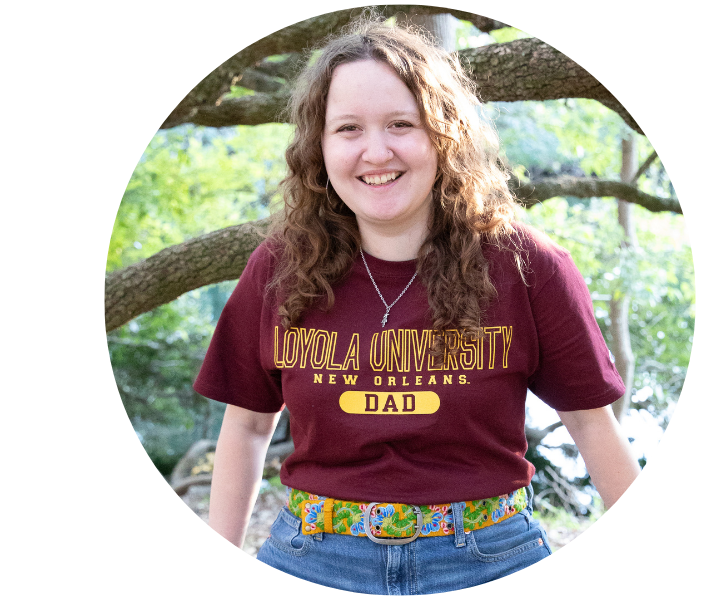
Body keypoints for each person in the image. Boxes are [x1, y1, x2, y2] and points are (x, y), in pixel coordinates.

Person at [194, 18, 641, 595]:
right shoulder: (279, 267)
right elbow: (249, 426)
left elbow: (591, 425)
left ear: (443, 133)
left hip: (490, 558)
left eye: (401, 124)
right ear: (319, 147)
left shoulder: (527, 267)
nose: (375, 151)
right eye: (348, 129)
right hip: (313, 558)